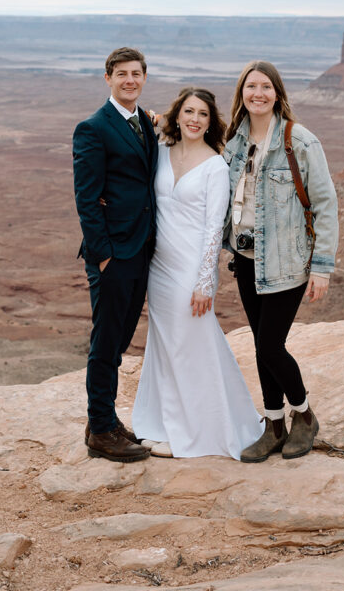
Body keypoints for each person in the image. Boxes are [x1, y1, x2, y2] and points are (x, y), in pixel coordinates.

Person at [132, 87, 262, 459]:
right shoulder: (160, 152)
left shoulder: (215, 167)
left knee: (189, 346)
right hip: (159, 265)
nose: (194, 119)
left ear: (211, 121)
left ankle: (192, 431)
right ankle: (160, 422)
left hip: (191, 269)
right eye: (188, 111)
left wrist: (205, 282)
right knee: (165, 344)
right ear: (178, 115)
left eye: (202, 114)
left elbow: (212, 230)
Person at [223, 61, 338, 462]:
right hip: (246, 258)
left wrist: (321, 267)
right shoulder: (233, 141)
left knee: (271, 345)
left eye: (265, 87)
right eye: (250, 87)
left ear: (277, 93)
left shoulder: (300, 141)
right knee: (259, 345)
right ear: (242, 94)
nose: (258, 93)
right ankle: (273, 425)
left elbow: (325, 205)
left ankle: (303, 416)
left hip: (286, 262)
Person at [72, 47, 158, 463]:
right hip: (114, 254)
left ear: (144, 78)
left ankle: (100, 419)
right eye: (121, 74)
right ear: (107, 78)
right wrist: (103, 255)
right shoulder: (93, 128)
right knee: (106, 342)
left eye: (136, 74)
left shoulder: (145, 122)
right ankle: (102, 431)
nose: (129, 80)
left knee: (121, 338)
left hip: (141, 249)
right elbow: (87, 199)